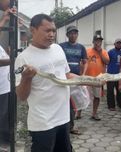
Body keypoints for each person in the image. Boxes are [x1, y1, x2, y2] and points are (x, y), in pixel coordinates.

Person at [15, 14, 75, 152]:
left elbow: (67, 76)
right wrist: (26, 78)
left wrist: (92, 80)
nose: (51, 34)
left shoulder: (58, 49)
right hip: (43, 123)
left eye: (53, 31)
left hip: (64, 117)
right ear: (33, 30)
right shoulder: (23, 59)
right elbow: (22, 96)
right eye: (47, 30)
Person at [59, 25, 88, 135]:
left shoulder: (81, 47)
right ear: (67, 35)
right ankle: (61, 126)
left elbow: (85, 62)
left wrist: (83, 74)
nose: (73, 35)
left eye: (75, 33)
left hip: (75, 78)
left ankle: (70, 126)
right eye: (71, 33)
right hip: (63, 78)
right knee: (63, 101)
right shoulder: (61, 46)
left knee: (72, 102)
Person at [0, 0, 16, 150]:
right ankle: (4, 143)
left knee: (6, 115)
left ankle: (6, 140)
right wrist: (13, 61)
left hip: (6, 85)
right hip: (1, 87)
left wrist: (5, 18)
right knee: (2, 115)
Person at [85, 33, 109, 121]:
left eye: (99, 41)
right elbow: (83, 63)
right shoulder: (87, 51)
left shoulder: (104, 52)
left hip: (98, 78)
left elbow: (107, 62)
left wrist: (100, 53)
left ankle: (94, 113)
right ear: (93, 42)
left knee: (97, 97)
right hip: (87, 78)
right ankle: (78, 112)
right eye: (96, 41)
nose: (98, 43)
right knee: (83, 95)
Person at [106, 38, 121, 111]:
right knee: (110, 91)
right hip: (111, 75)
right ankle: (111, 106)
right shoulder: (110, 52)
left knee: (120, 90)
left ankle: (120, 104)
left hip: (120, 75)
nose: (119, 44)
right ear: (114, 44)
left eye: (120, 43)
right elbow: (106, 61)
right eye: (117, 43)